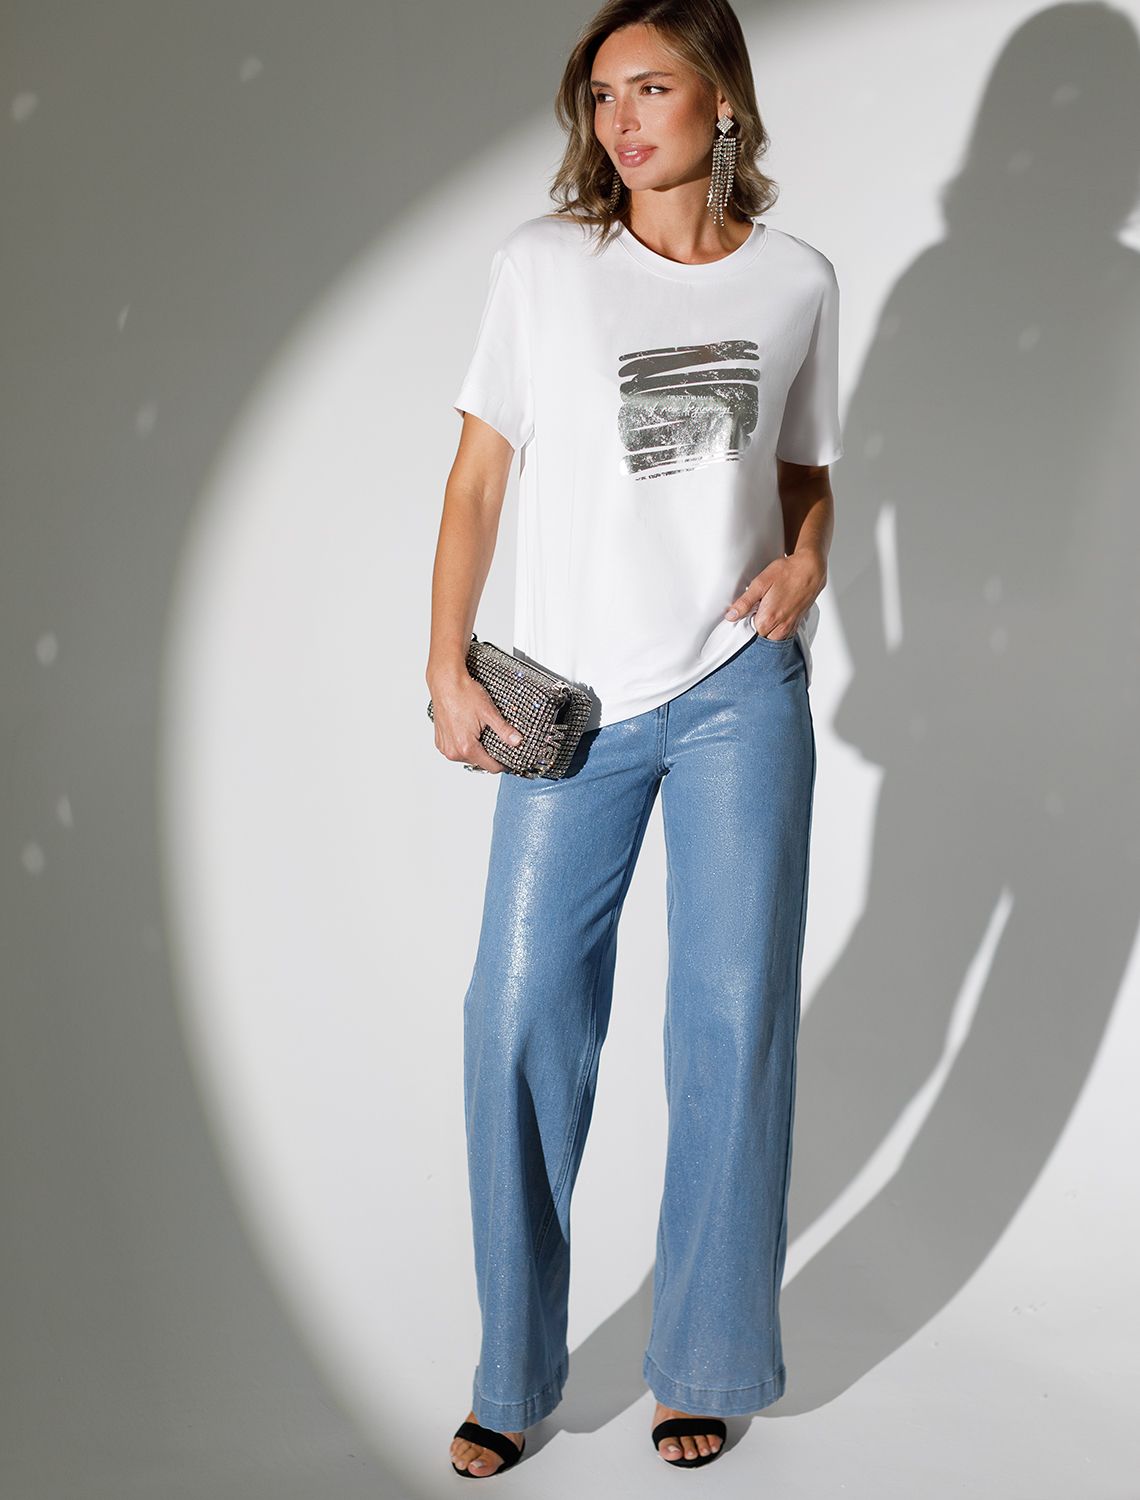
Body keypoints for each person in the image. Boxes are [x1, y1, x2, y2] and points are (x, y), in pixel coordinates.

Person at [427, 0, 843, 1476]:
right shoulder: (545, 267)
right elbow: (478, 480)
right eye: (602, 95)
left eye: (652, 88)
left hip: (740, 696)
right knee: (518, 1016)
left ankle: (707, 1361)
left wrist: (806, 566)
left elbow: (803, 475)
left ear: (722, 98)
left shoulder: (797, 280)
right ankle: (513, 1370)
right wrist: (444, 666)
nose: (621, 120)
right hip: (576, 706)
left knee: (733, 1022)